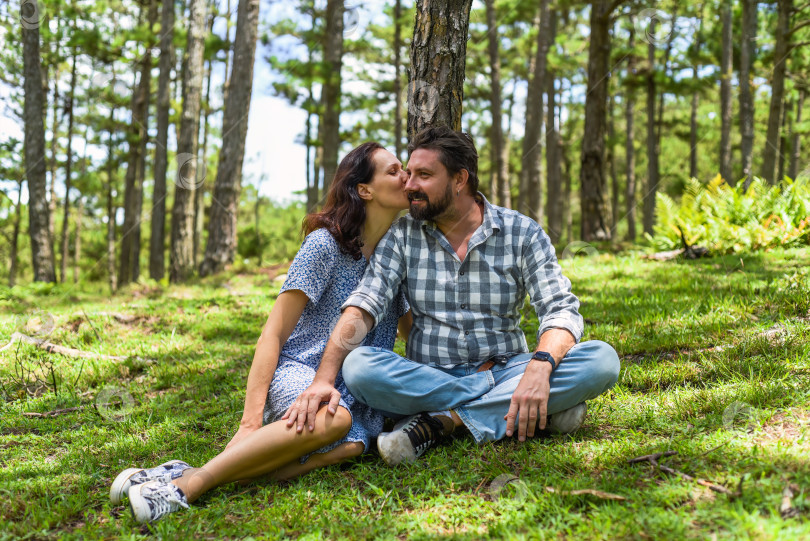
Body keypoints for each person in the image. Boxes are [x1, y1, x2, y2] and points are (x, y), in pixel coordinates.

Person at [109, 142, 412, 523]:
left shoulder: (396, 259)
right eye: (394, 170)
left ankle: (172, 475)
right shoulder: (325, 246)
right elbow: (273, 334)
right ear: (365, 190)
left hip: (354, 390)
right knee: (335, 422)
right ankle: (186, 488)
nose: (406, 177)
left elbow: (412, 332)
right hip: (300, 372)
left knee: (351, 448)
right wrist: (249, 424)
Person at [285, 126, 621, 466]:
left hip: (507, 368)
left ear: (460, 179)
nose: (410, 184)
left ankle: (442, 421)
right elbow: (364, 307)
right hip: (428, 378)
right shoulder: (402, 235)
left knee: (602, 360)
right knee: (359, 368)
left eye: (424, 175)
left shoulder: (522, 232)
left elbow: (559, 309)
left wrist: (539, 366)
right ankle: (530, 408)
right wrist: (324, 380)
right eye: (409, 173)